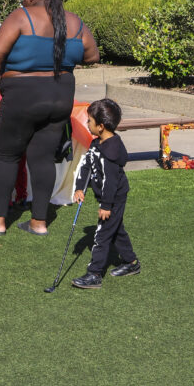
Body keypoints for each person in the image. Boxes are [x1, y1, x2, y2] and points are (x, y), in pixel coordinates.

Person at [0, 0, 99, 236]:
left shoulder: (21, 16)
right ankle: (39, 222)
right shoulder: (74, 22)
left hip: (23, 94)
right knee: (42, 158)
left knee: (7, 155)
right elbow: (92, 55)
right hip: (60, 95)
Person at [70, 99, 140, 289]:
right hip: (106, 197)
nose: (87, 124)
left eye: (89, 121)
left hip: (114, 197)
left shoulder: (111, 151)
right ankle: (131, 262)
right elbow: (86, 166)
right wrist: (79, 187)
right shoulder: (95, 144)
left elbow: (111, 182)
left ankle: (94, 274)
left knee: (102, 234)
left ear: (100, 126)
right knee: (116, 230)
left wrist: (106, 205)